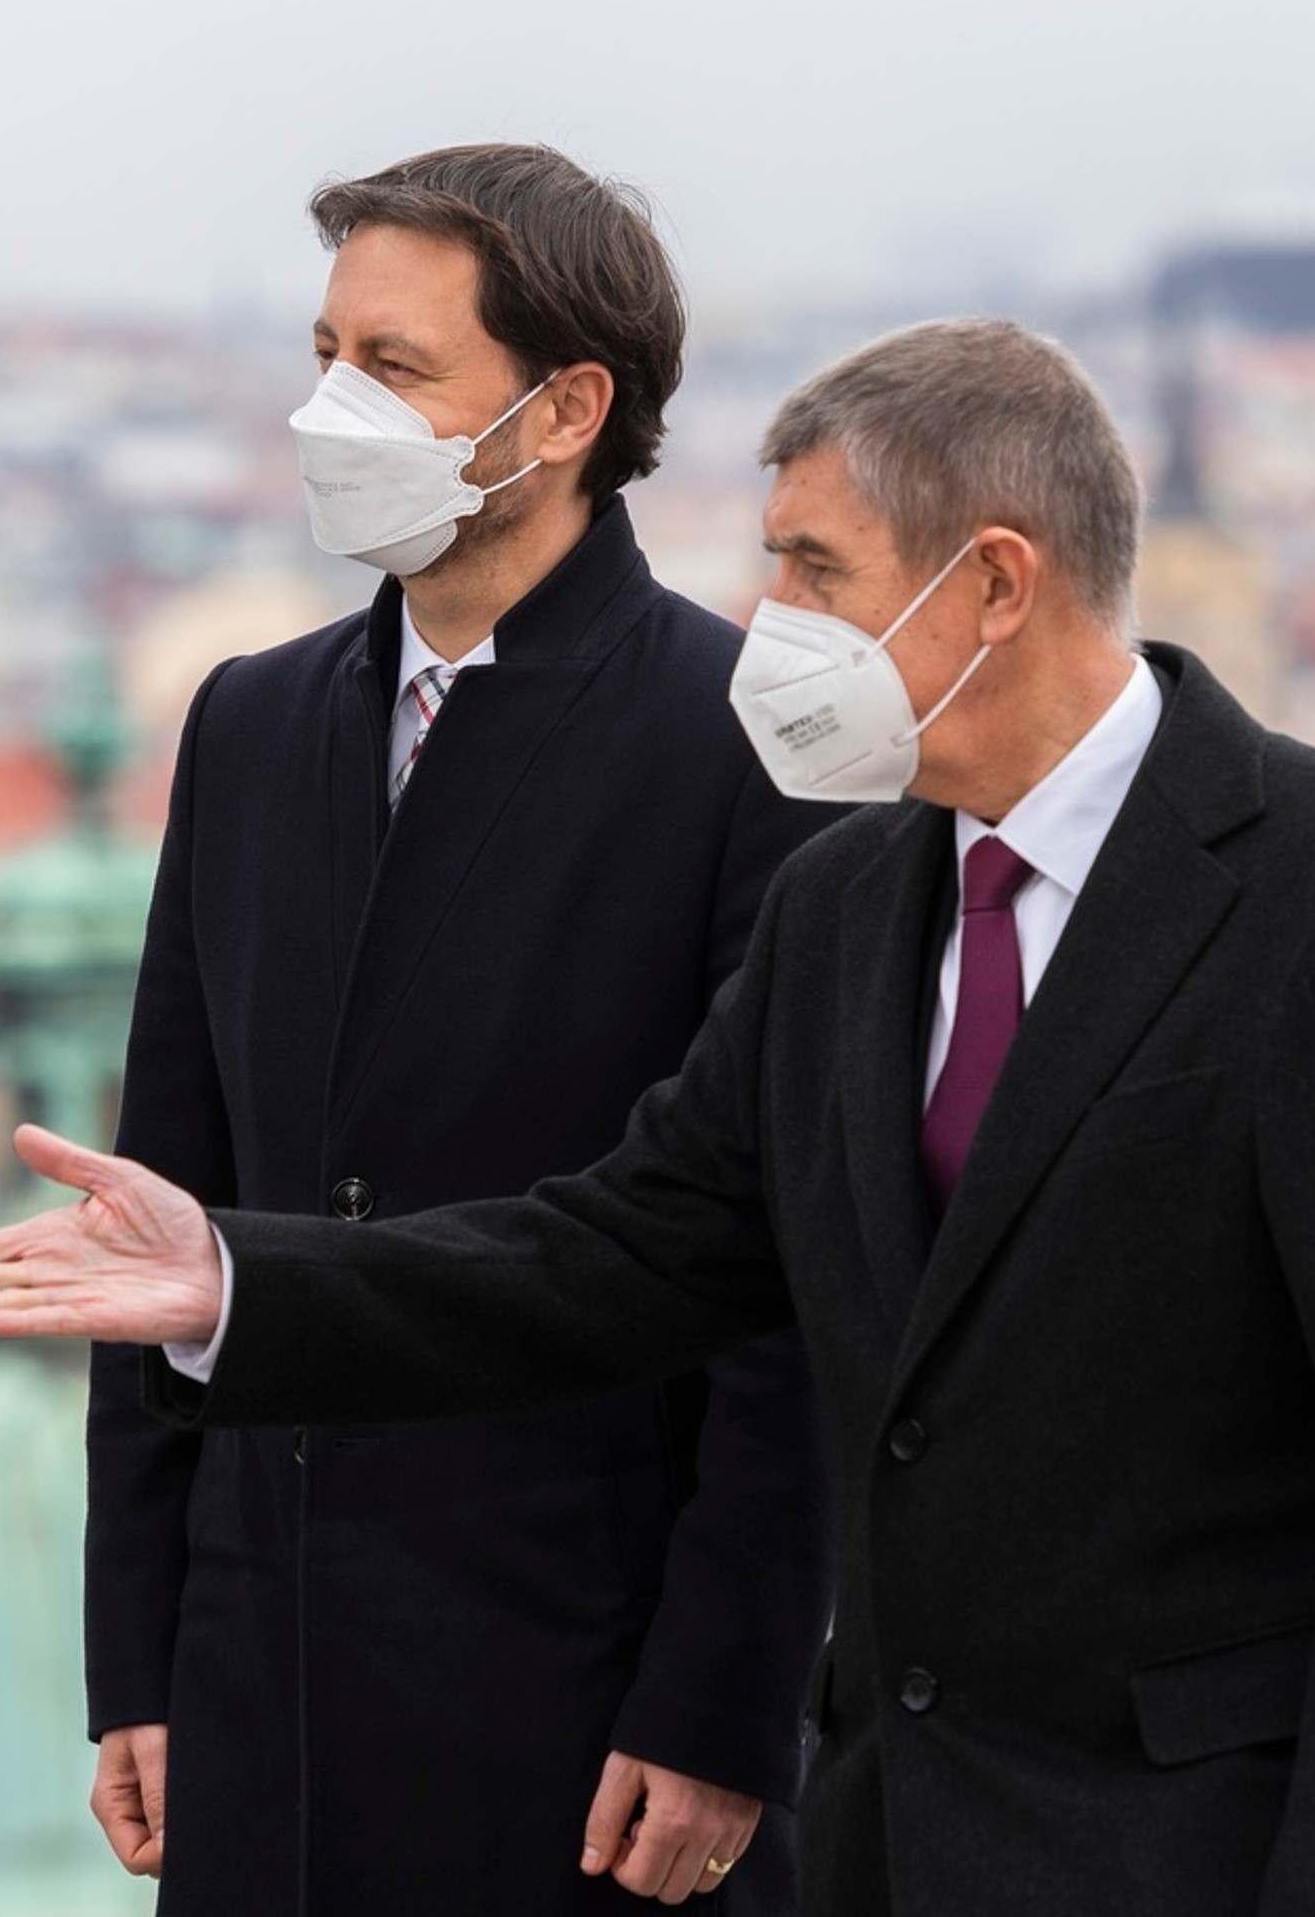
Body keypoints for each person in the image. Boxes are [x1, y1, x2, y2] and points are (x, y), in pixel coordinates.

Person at [0, 317, 1315, 1917]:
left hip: (1192, 1853)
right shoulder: (847, 902)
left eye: (817, 571)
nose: (772, 622)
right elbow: (620, 1252)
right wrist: (242, 1287)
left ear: (994, 580)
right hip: (893, 1852)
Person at [77, 144, 836, 1914]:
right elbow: (156, 1216)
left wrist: (723, 1704)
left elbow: (785, 1279)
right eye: (327, 351)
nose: (334, 406)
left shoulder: (747, 742)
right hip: (259, 1688)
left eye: (397, 368)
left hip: (584, 1716)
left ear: (567, 407)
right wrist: (139, 1653)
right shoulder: (253, 724)